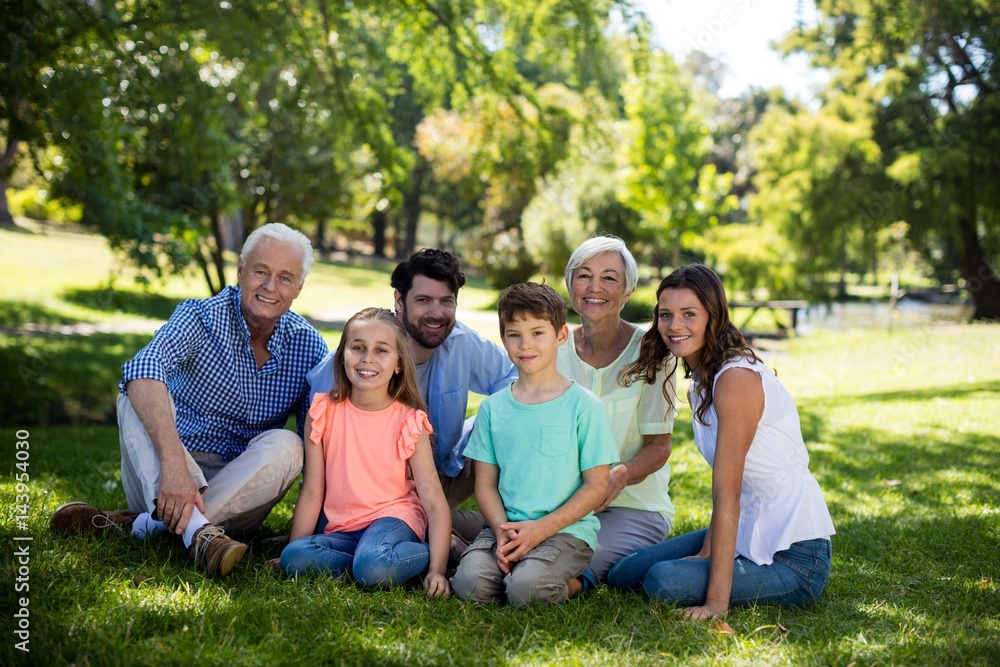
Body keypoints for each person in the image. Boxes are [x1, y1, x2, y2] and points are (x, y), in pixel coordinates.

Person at [49, 223, 329, 577]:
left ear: (299, 288)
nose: (271, 287)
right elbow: (146, 365)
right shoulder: (200, 316)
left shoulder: (309, 346)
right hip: (163, 474)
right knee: (136, 386)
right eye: (261, 271)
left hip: (239, 489)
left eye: (286, 278)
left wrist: (318, 530)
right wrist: (174, 467)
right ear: (241, 269)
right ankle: (199, 533)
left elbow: (319, 443)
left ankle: (141, 527)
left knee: (290, 444)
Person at [607, 264, 835, 619]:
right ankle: (715, 561)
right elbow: (737, 491)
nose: (674, 326)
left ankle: (724, 585)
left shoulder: (735, 379)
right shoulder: (702, 379)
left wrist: (715, 603)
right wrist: (705, 553)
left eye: (689, 314)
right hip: (747, 532)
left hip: (795, 557)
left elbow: (726, 496)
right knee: (624, 573)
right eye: (665, 314)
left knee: (662, 580)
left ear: (713, 317)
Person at [307, 249, 516, 543]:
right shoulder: (358, 361)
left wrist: (486, 426)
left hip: (440, 474)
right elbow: (320, 447)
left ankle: (517, 523)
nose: (436, 313)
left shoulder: (462, 341)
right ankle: (447, 534)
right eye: (423, 300)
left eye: (446, 301)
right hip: (371, 491)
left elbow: (514, 376)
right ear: (399, 301)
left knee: (515, 420)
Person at [450, 283, 615, 607]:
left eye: (538, 333)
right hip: (505, 526)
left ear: (561, 336)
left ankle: (576, 583)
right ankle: (490, 560)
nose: (526, 344)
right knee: (471, 586)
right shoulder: (493, 408)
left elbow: (597, 487)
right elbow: (485, 485)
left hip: (563, 532)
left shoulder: (584, 407)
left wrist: (540, 531)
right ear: (504, 338)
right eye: (515, 334)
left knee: (527, 591)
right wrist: (500, 533)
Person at [278, 308, 451, 597]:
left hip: (393, 519)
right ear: (343, 355)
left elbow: (433, 499)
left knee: (373, 565)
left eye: (381, 350)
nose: (367, 358)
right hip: (343, 529)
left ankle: (434, 551)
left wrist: (437, 569)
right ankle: (369, 564)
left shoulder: (408, 421)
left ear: (398, 364)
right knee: (294, 558)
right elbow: (312, 491)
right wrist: (291, 550)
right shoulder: (323, 411)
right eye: (358, 347)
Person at [557, 235, 676, 585]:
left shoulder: (654, 353)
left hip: (634, 506)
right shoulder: (553, 347)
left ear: (627, 291)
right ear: (570, 285)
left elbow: (660, 446)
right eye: (584, 275)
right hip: (562, 502)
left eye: (609, 277)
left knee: (568, 560)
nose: (595, 287)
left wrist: (619, 475)